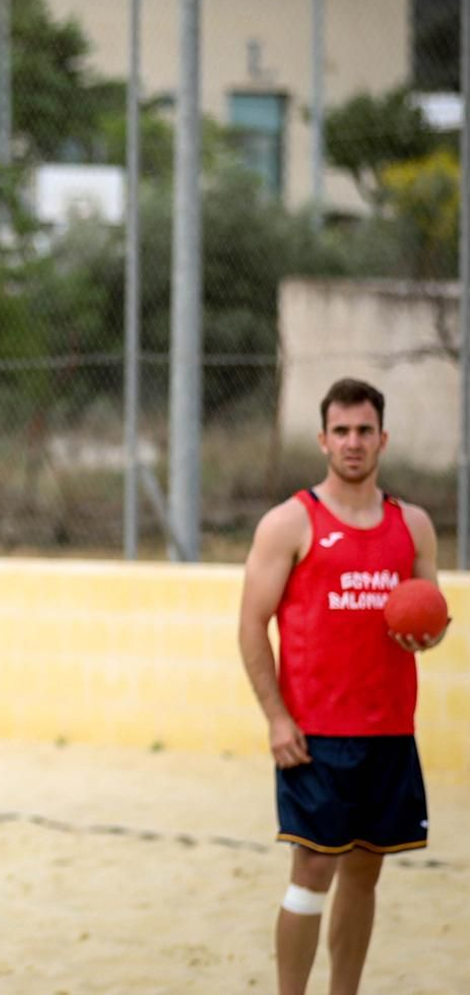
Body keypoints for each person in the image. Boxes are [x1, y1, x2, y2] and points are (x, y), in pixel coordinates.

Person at [237, 377, 447, 995]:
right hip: (315, 734)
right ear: (323, 440)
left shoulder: (414, 524)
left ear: (383, 438)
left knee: (365, 872)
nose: (353, 443)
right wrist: (277, 717)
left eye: (364, 431)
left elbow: (427, 615)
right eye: (341, 431)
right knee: (312, 868)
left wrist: (426, 637)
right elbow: (251, 625)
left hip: (387, 727)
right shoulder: (290, 523)